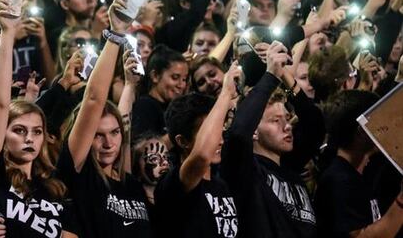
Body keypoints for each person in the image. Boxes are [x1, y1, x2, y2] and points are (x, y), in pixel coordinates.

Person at [0, 0, 78, 237]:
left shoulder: (54, 188)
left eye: (37, 132)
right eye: (19, 130)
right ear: (2, 134)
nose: (30, 138)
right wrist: (8, 33)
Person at [58, 0, 154, 237]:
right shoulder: (79, 174)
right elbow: (93, 100)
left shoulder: (130, 184)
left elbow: (124, 122)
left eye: (114, 133)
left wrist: (131, 86)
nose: (109, 143)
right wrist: (115, 33)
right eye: (98, 135)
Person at [221, 42, 317, 238]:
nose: (287, 126)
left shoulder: (291, 166)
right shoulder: (244, 169)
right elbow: (239, 133)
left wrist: (284, 75)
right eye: (275, 121)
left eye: (287, 119)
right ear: (254, 132)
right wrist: (270, 75)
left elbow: (315, 123)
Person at [155, 64, 242, 238]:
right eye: (208, 132)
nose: (219, 139)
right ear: (183, 141)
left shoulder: (222, 186)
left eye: (218, 131)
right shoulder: (173, 184)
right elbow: (202, 155)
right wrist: (225, 94)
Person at [315, 90, 403, 238]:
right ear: (362, 131)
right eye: (378, 122)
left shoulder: (363, 172)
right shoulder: (338, 181)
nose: (385, 128)